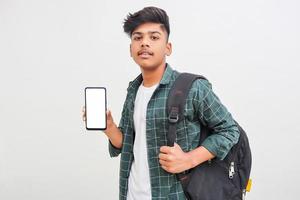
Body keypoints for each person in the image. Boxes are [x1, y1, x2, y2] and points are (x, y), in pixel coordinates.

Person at [82, 6, 240, 200]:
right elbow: (126, 144)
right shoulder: (134, 90)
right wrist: (109, 127)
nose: (144, 43)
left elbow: (230, 130)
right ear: (130, 49)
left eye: (154, 37)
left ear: (168, 48)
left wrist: (188, 159)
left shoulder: (192, 87)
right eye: (137, 38)